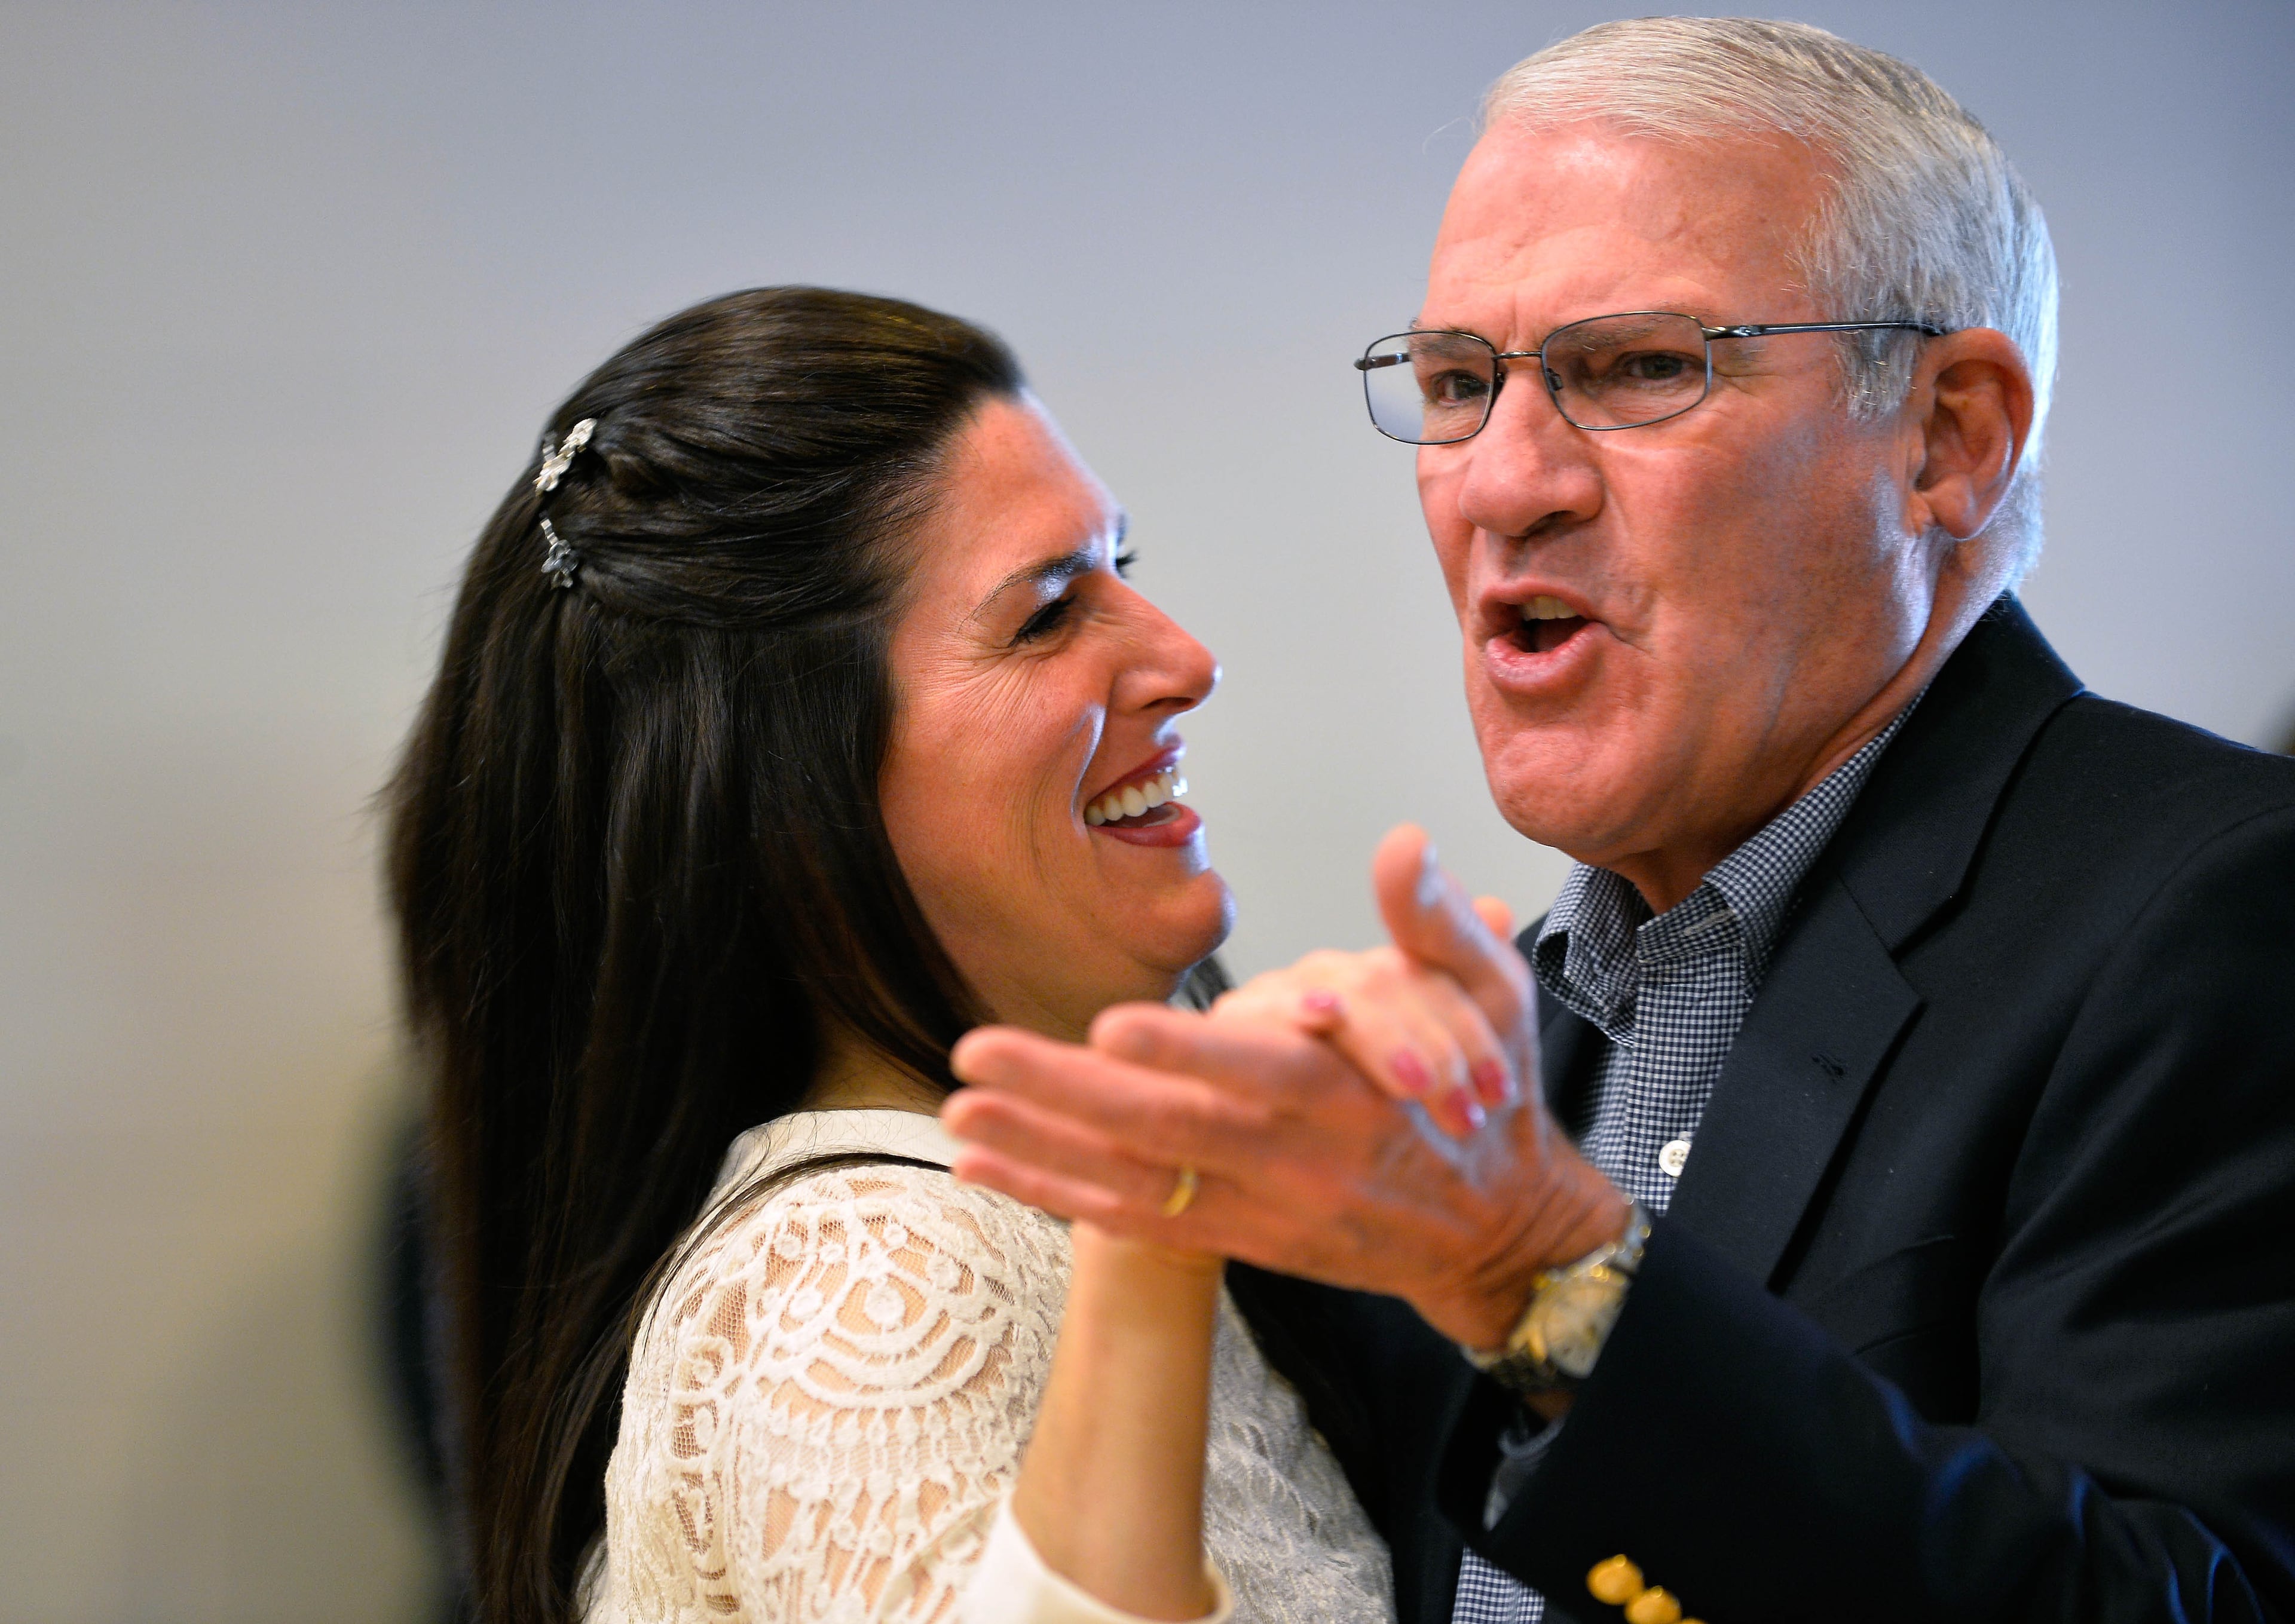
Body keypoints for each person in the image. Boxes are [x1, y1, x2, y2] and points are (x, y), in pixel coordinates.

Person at [939, 19, 2295, 1624]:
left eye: (1641, 367)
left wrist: (1553, 1279)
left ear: (1950, 436)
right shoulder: (1506, 1039)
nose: (1507, 480)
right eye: (1457, 383)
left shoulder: (2222, 908)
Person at [384, 287, 1394, 1623]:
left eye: (1121, 574)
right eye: (1044, 615)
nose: (1182, 659)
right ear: (794, 795)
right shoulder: (868, 1287)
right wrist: (1160, 1220)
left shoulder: (987, 1215)